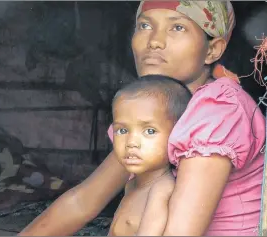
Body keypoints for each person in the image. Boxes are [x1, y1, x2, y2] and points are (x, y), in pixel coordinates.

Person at [18, 1, 266, 236]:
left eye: (177, 27)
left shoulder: (219, 110)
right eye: (145, 26)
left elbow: (181, 233)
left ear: (212, 50)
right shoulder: (151, 106)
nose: (155, 41)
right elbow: (83, 201)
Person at [107, 75, 192, 236]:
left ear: (177, 135)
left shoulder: (161, 189)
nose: (131, 142)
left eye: (149, 131)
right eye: (122, 130)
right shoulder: (131, 185)